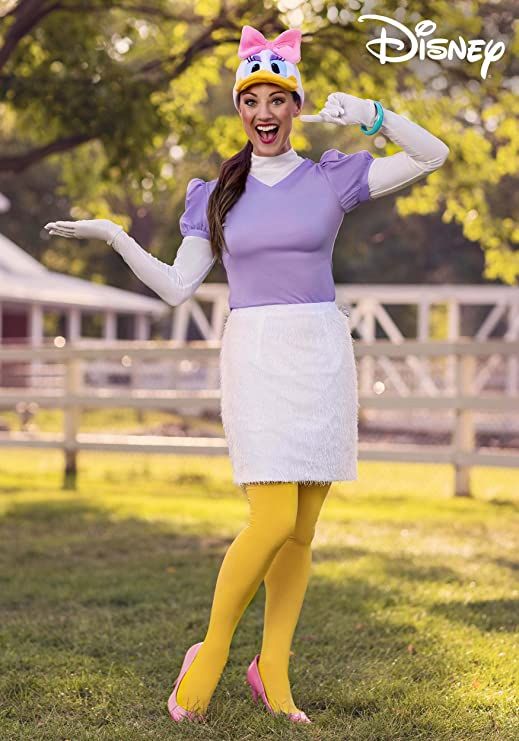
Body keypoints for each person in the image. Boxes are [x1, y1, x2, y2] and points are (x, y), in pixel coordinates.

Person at [44, 23, 449, 725]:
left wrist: (375, 117)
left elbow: (433, 153)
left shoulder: (332, 177)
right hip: (257, 356)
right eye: (251, 100)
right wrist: (115, 237)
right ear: (240, 109)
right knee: (270, 518)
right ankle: (210, 656)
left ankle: (276, 672)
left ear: (295, 107)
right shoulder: (216, 194)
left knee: (301, 531)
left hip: (318, 354)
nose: (264, 112)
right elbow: (176, 287)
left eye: (277, 99)